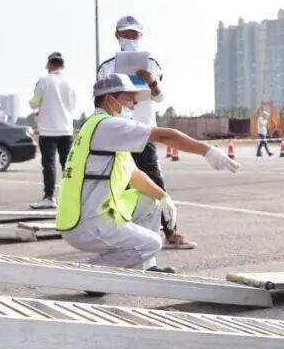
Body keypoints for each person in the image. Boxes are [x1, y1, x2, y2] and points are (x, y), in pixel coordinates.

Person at [56, 74, 239, 272]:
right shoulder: (107, 125)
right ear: (109, 100)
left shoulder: (98, 128)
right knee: (151, 243)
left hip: (89, 216)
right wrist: (207, 150)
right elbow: (163, 135)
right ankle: (86, 271)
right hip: (87, 224)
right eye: (129, 100)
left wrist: (163, 197)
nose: (134, 105)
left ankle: (146, 268)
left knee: (150, 201)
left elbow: (134, 174)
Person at [97, 15, 196, 249]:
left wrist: (152, 83)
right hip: (118, 132)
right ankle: (118, 234)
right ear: (117, 35)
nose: (130, 38)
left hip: (143, 131)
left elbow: (159, 97)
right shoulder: (107, 67)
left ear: (140, 36)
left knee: (154, 180)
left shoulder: (152, 63)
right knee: (117, 184)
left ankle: (171, 232)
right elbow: (101, 99)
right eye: (126, 34)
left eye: (134, 34)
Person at [29, 52, 77, 209]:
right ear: (63, 65)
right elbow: (73, 105)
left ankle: (49, 197)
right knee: (67, 165)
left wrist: (38, 107)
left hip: (48, 130)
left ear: (49, 65)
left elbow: (34, 103)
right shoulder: (70, 82)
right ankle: (72, 197)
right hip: (66, 129)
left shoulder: (44, 81)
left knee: (49, 164)